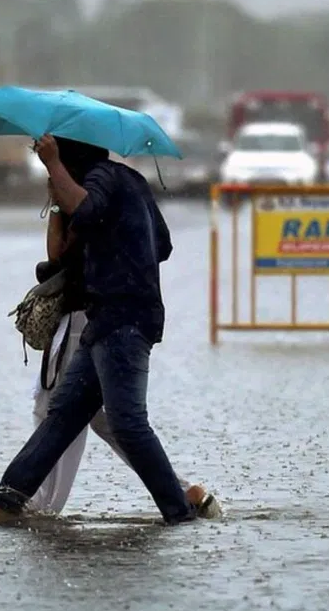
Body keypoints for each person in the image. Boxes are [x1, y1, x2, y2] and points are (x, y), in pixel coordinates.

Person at [0, 135, 214, 525]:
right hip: (107, 319)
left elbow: (86, 208)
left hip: (124, 319)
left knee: (126, 422)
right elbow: (161, 245)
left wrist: (53, 166)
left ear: (71, 156)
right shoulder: (127, 181)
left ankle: (180, 507)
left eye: (57, 154)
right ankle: (10, 497)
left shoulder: (104, 180)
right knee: (64, 413)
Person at [26, 177, 219, 517]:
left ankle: (39, 503)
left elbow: (57, 252)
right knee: (105, 418)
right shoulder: (119, 189)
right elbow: (161, 245)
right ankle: (182, 490)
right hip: (104, 315)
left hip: (89, 318)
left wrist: (56, 198)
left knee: (57, 409)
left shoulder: (89, 193)